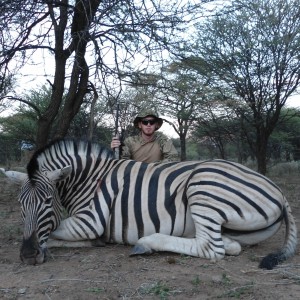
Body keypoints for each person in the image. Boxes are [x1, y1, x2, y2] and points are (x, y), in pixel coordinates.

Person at [111, 111, 179, 163]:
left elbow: (173, 158)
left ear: (156, 125)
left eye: (152, 122)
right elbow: (123, 161)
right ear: (140, 125)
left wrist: (151, 168)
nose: (148, 125)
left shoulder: (163, 140)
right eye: (145, 122)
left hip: (158, 176)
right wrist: (115, 150)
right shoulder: (129, 142)